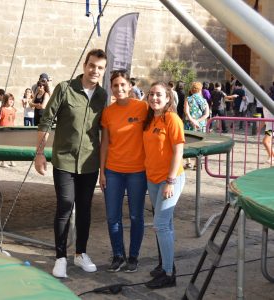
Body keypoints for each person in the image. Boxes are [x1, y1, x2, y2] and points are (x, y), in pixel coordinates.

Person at [34, 49, 108, 278]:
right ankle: (60, 258)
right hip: (64, 160)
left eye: (100, 67)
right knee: (65, 206)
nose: (95, 70)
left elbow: (104, 131)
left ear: (103, 71)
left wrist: (104, 168)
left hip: (89, 163)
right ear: (85, 65)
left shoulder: (103, 95)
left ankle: (80, 253)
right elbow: (46, 120)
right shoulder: (65, 88)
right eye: (92, 65)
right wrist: (39, 153)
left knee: (84, 209)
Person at [99, 70, 147, 273]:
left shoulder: (143, 108)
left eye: (122, 85)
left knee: (136, 215)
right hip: (113, 171)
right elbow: (105, 144)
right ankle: (118, 255)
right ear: (112, 88)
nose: (119, 89)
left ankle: (133, 256)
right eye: (115, 85)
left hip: (137, 171)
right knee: (112, 217)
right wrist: (102, 171)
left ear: (129, 86)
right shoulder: (108, 112)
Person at [143, 81, 185, 289]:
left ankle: (169, 274)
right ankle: (166, 265)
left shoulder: (172, 119)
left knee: (160, 224)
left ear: (168, 98)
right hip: (153, 179)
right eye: (151, 94)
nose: (154, 98)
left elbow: (178, 151)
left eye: (159, 95)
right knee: (165, 225)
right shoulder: (150, 120)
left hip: (170, 180)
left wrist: (170, 181)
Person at [184, 82, 209, 169]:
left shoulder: (188, 99)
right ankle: (197, 164)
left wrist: (192, 120)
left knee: (188, 143)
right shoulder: (204, 100)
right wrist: (197, 121)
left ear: (192, 89)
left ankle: (188, 163)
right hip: (200, 124)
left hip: (189, 123)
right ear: (200, 90)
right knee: (199, 144)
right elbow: (206, 114)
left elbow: (186, 112)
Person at [0, 93, 17, 168]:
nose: (12, 101)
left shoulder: (13, 109)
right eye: (10, 99)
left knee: (11, 145)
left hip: (11, 129)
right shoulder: (2, 109)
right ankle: (3, 162)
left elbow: (13, 120)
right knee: (4, 146)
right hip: (3, 130)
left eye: (12, 99)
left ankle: (11, 160)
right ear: (6, 100)